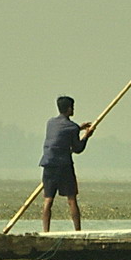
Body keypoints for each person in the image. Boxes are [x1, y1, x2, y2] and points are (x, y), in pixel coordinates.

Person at [38, 96, 93, 232]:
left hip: (48, 164)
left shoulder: (50, 123)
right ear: (69, 109)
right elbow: (77, 148)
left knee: (48, 200)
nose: (73, 110)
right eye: (72, 107)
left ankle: (45, 232)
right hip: (63, 166)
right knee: (71, 199)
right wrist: (87, 136)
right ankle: (78, 231)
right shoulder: (72, 127)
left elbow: (62, 133)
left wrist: (79, 128)